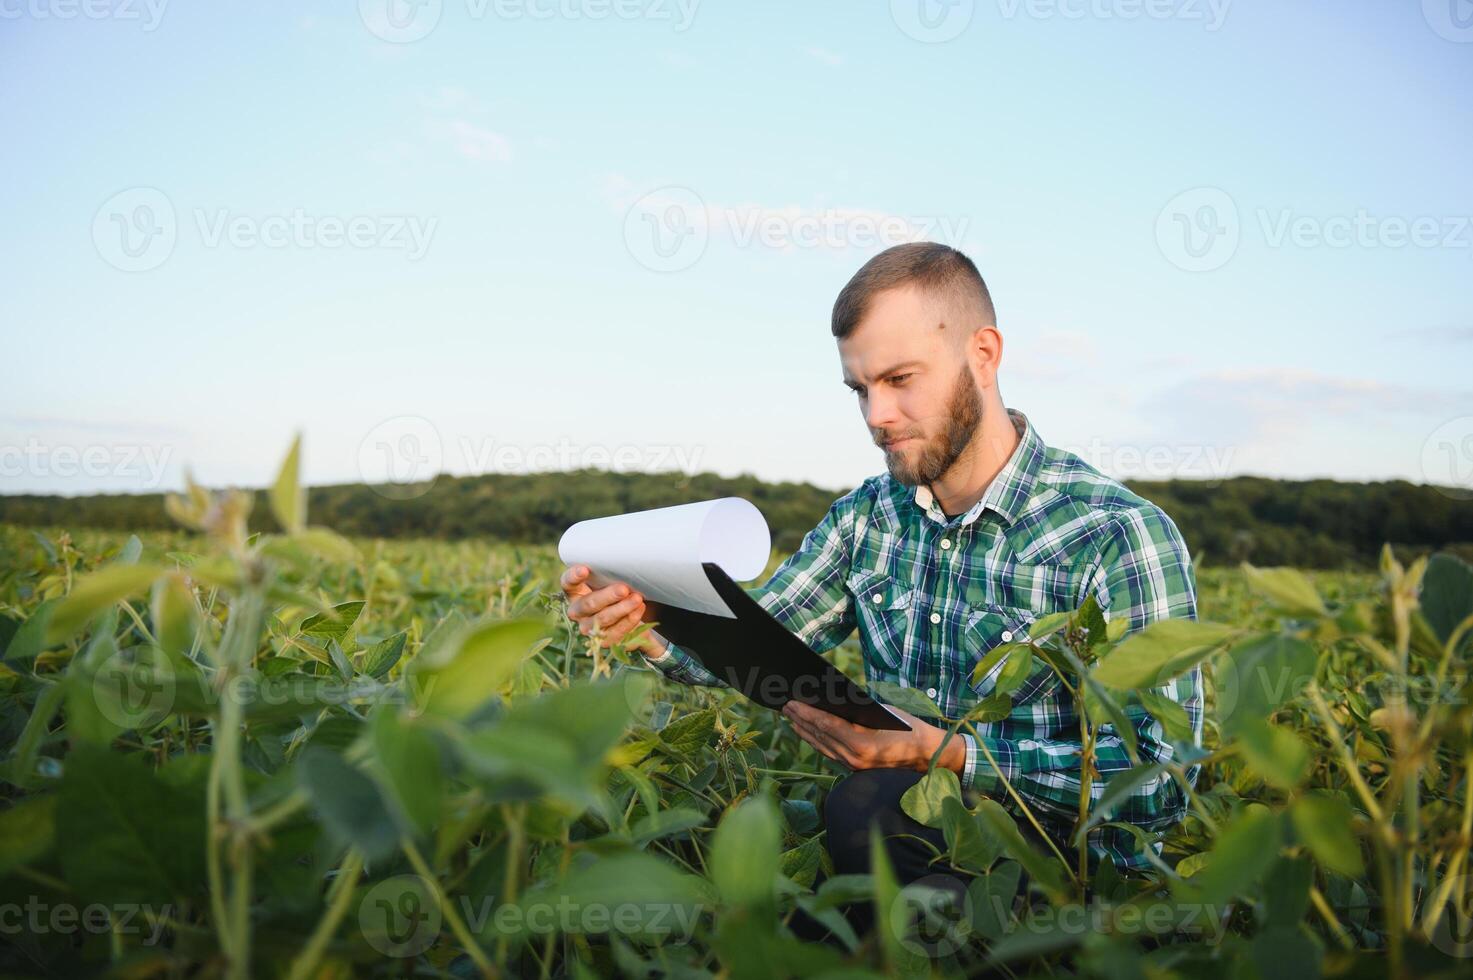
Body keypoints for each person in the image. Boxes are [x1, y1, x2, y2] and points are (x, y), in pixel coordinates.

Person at [559, 241, 1201, 936]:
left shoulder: (1117, 533)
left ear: (982, 355)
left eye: (900, 380)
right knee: (852, 824)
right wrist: (656, 617)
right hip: (904, 833)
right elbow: (762, 642)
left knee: (874, 816)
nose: (876, 416)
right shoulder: (867, 517)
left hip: (1067, 877)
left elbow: (1160, 783)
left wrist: (946, 754)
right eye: (860, 389)